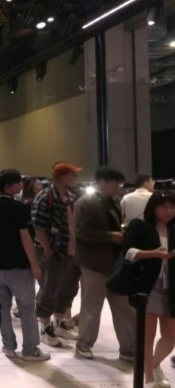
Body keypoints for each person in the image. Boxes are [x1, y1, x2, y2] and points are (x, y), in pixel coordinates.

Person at [0, 169, 50, 362]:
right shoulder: (19, 208)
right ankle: (30, 349)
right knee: (27, 307)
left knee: (3, 307)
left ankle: (8, 346)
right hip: (19, 265)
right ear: (9, 186)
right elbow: (25, 237)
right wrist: (34, 264)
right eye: (17, 183)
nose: (21, 185)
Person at [73, 166, 136, 360]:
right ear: (103, 182)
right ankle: (83, 344)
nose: (118, 187)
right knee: (92, 306)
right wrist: (110, 236)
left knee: (124, 308)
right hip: (94, 264)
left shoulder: (115, 201)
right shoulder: (85, 203)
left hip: (115, 263)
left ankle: (128, 349)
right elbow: (81, 231)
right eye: (115, 183)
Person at [121, 191, 175, 387]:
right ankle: (149, 378)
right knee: (147, 337)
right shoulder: (141, 226)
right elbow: (127, 252)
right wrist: (153, 254)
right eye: (163, 207)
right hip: (148, 287)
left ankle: (153, 365)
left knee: (170, 338)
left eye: (172, 207)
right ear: (153, 208)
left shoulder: (173, 228)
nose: (168, 211)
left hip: (171, 289)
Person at [32, 162, 82, 347]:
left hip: (70, 250)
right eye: (72, 175)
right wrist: (47, 250)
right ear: (62, 177)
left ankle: (59, 322)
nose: (75, 179)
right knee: (49, 289)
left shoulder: (70, 196)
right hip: (54, 251)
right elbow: (39, 226)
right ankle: (45, 327)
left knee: (69, 288)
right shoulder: (46, 197)